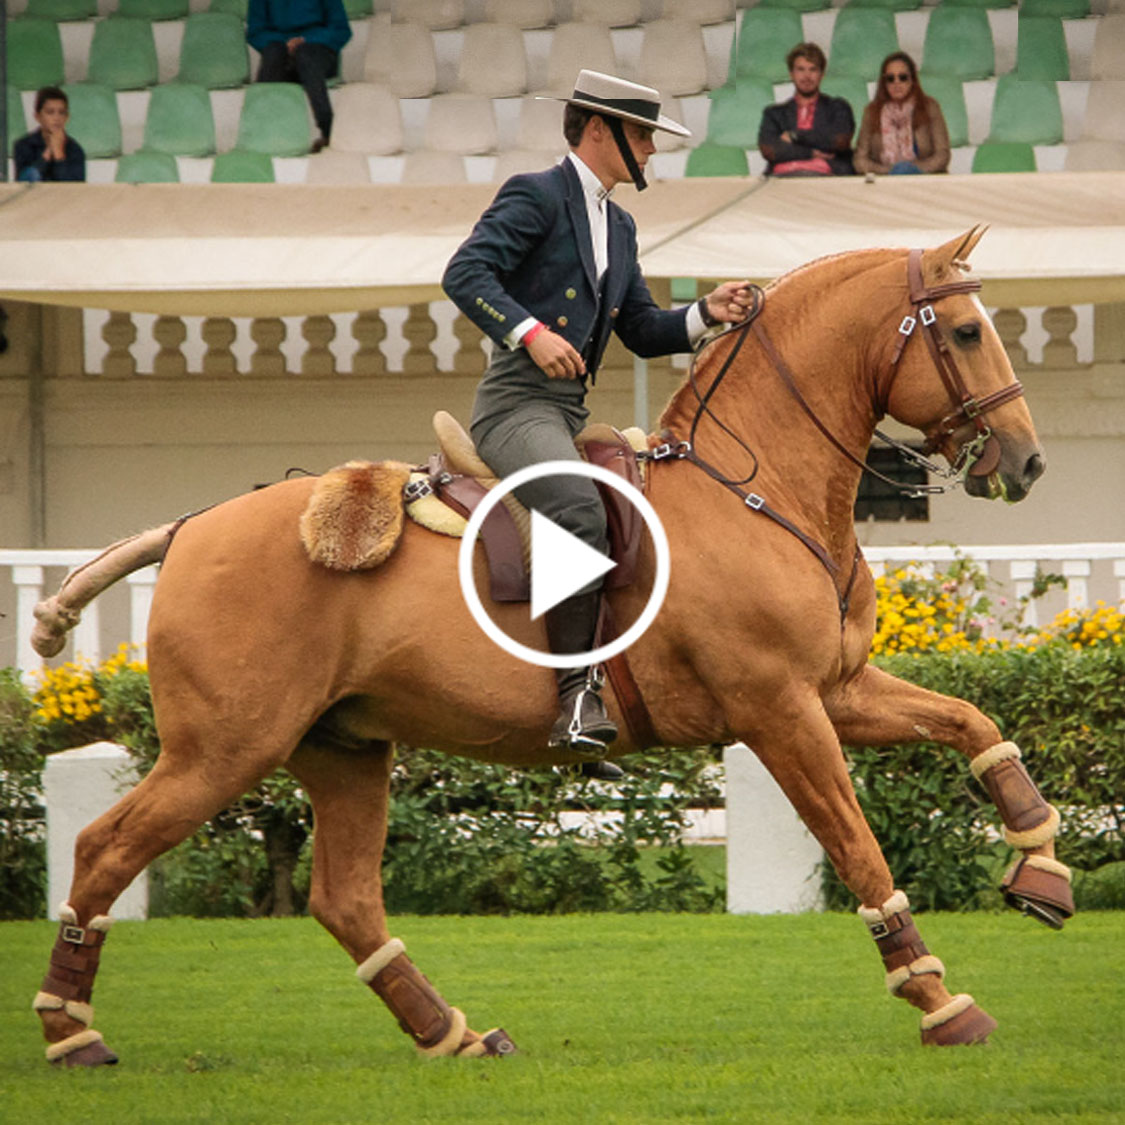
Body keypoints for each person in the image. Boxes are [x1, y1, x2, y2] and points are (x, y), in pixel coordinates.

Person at [442, 70, 754, 761]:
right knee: (579, 511)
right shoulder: (536, 194)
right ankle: (574, 697)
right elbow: (465, 273)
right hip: (514, 406)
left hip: (564, 410)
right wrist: (531, 332)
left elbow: (642, 328)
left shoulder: (620, 223)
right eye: (641, 134)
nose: (648, 149)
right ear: (596, 128)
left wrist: (707, 313)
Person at [246, 0, 351, 154]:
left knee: (305, 56)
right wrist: (285, 43)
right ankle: (264, 132)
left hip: (317, 51)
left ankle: (328, 131)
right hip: (281, 51)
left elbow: (341, 30)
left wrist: (305, 39)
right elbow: (256, 31)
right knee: (273, 54)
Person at [758, 43, 854, 177]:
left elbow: (838, 141)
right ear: (791, 74)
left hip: (828, 178)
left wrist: (794, 136)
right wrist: (811, 153)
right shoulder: (774, 114)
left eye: (813, 69)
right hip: (781, 181)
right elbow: (770, 150)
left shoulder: (838, 107)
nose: (807, 76)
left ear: (822, 74)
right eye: (801, 69)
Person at [853, 52, 950, 175]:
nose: (896, 83)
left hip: (924, 178)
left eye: (903, 77)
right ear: (884, 83)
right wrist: (891, 172)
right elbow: (859, 160)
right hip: (885, 180)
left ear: (912, 80)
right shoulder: (871, 112)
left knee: (904, 169)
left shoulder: (929, 107)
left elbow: (942, 155)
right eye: (890, 78)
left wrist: (912, 170)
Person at [13, 86, 86, 183]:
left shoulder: (75, 149)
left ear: (67, 117)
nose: (56, 118)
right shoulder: (23, 145)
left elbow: (76, 189)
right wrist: (47, 154)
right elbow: (24, 183)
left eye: (61, 112)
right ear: (37, 116)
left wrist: (59, 155)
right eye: (50, 112)